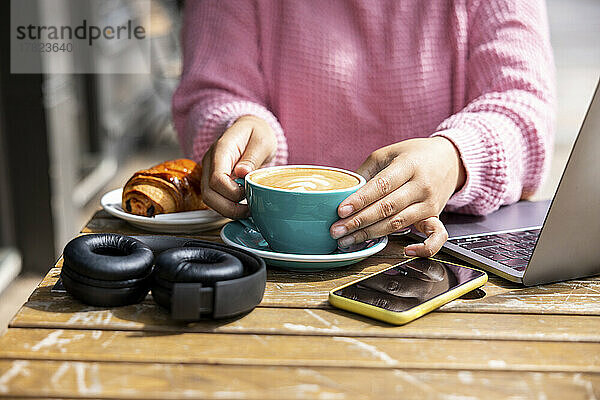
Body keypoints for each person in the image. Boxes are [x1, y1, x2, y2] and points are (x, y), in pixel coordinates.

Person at [172, 0, 555, 257]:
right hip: (270, 263)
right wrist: (240, 125)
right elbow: (211, 91)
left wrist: (454, 158)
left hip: (433, 254)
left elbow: (525, 108)